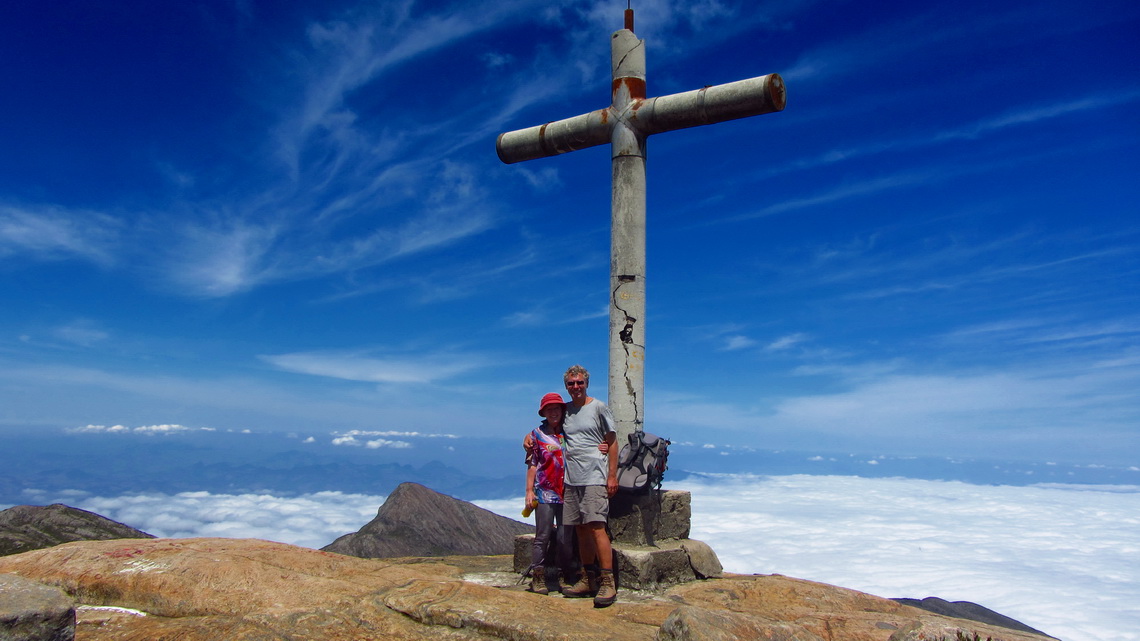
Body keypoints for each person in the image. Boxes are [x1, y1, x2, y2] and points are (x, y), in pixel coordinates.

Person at [558, 364, 618, 607]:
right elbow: (551, 430)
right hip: (572, 478)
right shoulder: (566, 411)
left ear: (587, 384)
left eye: (579, 382)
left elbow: (612, 441)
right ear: (566, 386)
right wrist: (529, 438)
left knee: (596, 527)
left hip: (594, 476)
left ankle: (607, 581)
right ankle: (587, 577)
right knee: (581, 529)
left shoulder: (598, 407)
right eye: (571, 383)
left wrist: (612, 475)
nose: (576, 387)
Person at [524, 392, 574, 594]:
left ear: (562, 411)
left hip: (569, 491)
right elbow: (533, 464)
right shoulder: (536, 435)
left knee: (565, 537)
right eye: (549, 409)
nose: (553, 412)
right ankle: (538, 576)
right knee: (542, 536)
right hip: (545, 492)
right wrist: (529, 491)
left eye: (557, 408)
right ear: (543, 412)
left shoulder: (570, 432)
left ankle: (564, 574)